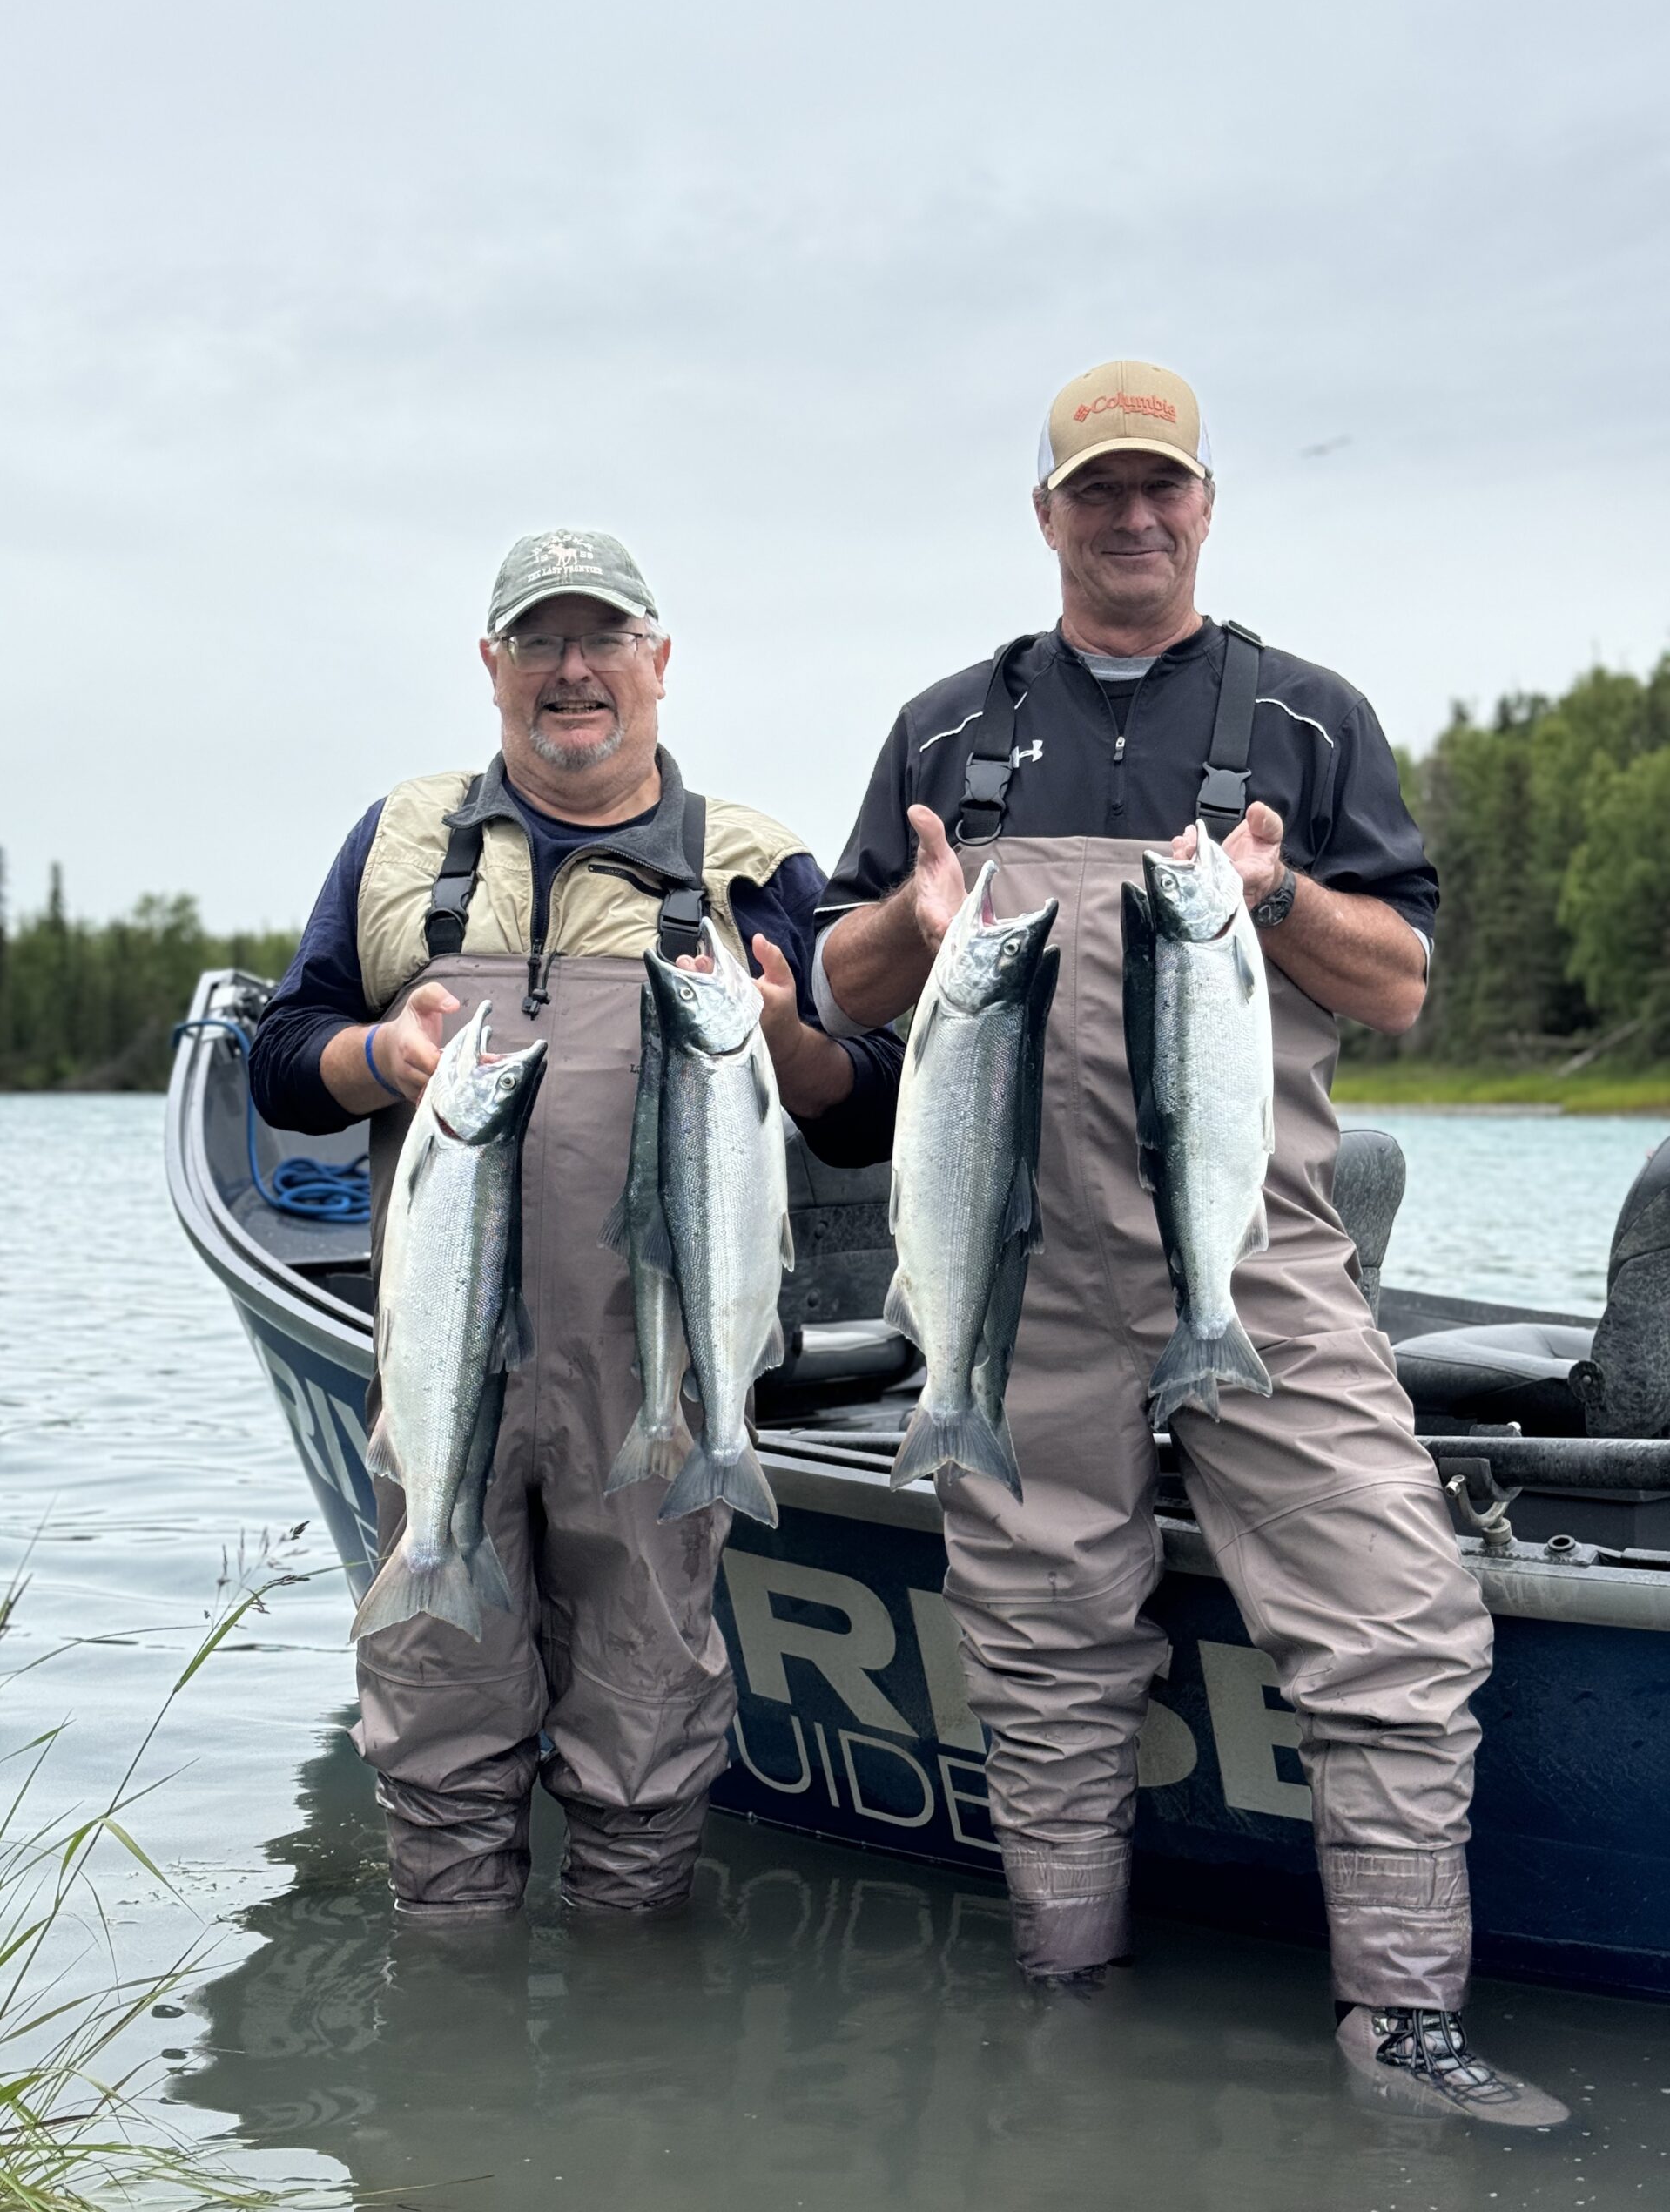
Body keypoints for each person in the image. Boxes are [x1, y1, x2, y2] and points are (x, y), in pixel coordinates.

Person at [813, 362, 1566, 2127]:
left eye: (1162, 488)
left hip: (1258, 1251)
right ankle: (1064, 2004)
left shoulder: (1309, 717)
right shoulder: (945, 732)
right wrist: (916, 927)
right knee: (1041, 1640)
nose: (1131, 517)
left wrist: (1280, 895)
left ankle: (1401, 2023)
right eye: (1098, 491)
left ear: (1207, 503)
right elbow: (844, 993)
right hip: (1016, 1257)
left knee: (1399, 1616)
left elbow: (1399, 981)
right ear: (1048, 513)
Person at [252, 529, 899, 1924]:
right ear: (491, 667)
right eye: (538, 640)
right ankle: (452, 2027)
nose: (573, 670)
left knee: (648, 1728)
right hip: (443, 1371)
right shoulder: (403, 839)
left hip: (655, 1385)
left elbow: (867, 1115)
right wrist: (383, 1059)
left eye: (604, 638)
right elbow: (280, 1055)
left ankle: (627, 2020)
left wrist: (784, 1038)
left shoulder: (754, 866)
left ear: (660, 662)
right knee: (434, 1720)